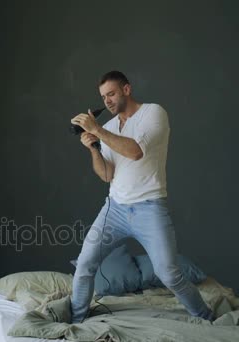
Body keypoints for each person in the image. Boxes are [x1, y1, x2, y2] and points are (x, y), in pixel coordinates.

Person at [69, 70, 214, 323]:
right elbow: (106, 175)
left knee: (169, 274)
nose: (108, 101)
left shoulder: (153, 113)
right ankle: (76, 322)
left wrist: (98, 130)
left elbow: (136, 152)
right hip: (114, 210)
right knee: (84, 265)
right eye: (103, 97)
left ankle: (206, 316)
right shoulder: (111, 127)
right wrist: (93, 147)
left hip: (149, 208)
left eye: (112, 94)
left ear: (127, 89)